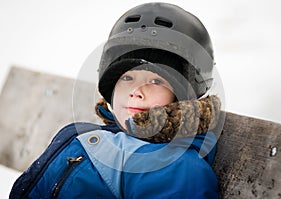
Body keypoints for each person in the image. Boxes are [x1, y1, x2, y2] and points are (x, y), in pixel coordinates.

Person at [10, 2, 222, 198]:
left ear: (184, 97)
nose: (135, 91)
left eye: (156, 81)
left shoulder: (175, 168)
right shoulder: (97, 136)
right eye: (127, 77)